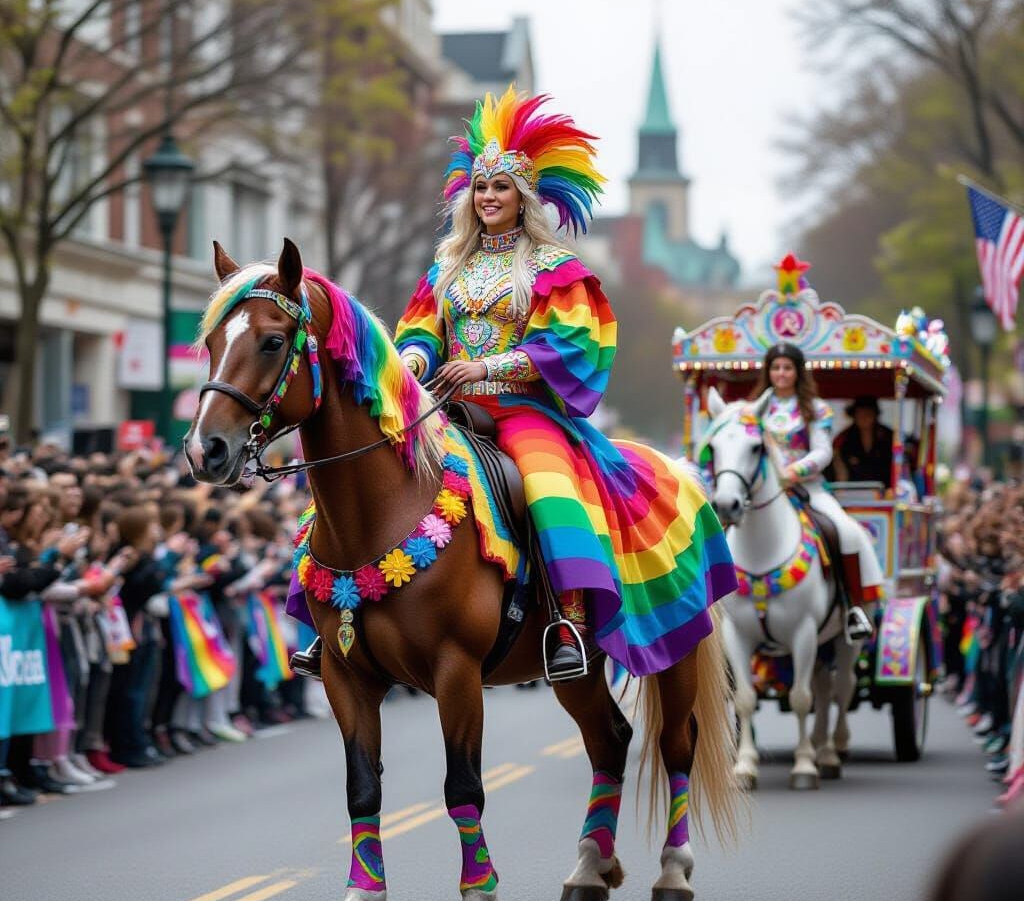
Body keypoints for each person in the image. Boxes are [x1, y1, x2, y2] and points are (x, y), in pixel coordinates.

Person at [292, 86, 736, 683]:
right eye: (481, 186)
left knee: (547, 492)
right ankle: (330, 631)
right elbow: (420, 329)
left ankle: (566, 623)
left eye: (500, 187)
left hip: (524, 412)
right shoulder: (446, 269)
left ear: (523, 196)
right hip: (446, 410)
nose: (488, 196)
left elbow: (573, 344)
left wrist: (489, 367)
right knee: (359, 482)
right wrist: (418, 361)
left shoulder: (556, 270)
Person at [752, 341, 883, 640]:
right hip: (763, 491)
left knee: (847, 531)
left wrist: (794, 472)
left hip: (807, 488)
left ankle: (854, 608)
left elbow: (823, 452)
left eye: (787, 368)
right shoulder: (755, 409)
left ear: (798, 372)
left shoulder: (814, 409)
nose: (781, 373)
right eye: (775, 367)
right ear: (768, 371)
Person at [833, 396, 893, 485]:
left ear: (875, 415)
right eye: (860, 414)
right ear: (854, 415)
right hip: (853, 491)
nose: (864, 418)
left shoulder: (889, 437)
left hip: (885, 492)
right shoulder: (843, 438)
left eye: (868, 414)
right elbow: (839, 467)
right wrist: (842, 489)